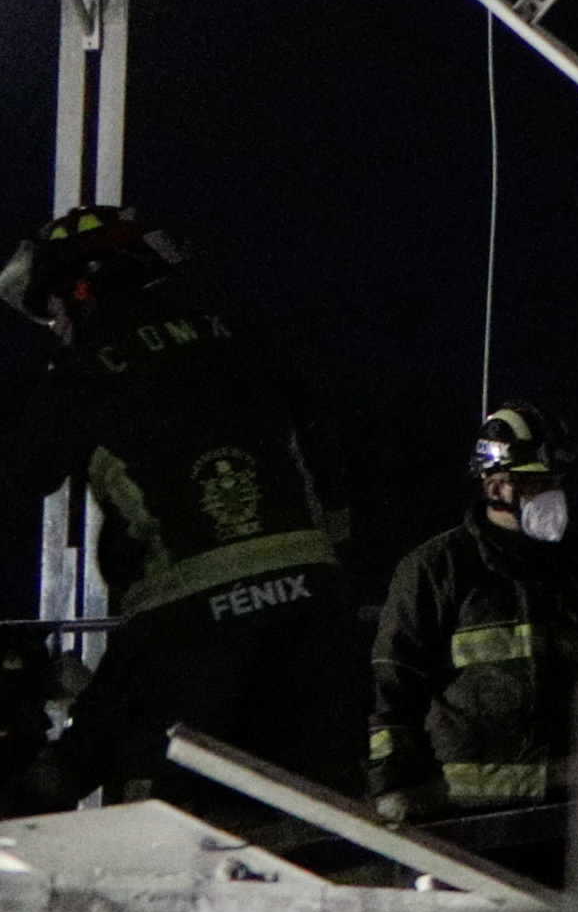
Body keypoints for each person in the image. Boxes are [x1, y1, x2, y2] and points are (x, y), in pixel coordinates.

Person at [0, 207, 359, 800]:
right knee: (315, 804)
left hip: (190, 617)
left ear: (84, 288)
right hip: (314, 607)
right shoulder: (242, 333)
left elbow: (25, 471)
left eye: (56, 309)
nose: (57, 326)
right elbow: (324, 451)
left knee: (110, 777)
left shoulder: (87, 364)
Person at [365, 404, 578, 852]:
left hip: (571, 821)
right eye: (539, 482)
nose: (553, 495)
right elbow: (392, 693)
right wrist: (392, 790)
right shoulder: (435, 570)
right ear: (496, 485)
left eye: (558, 483)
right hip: (465, 824)